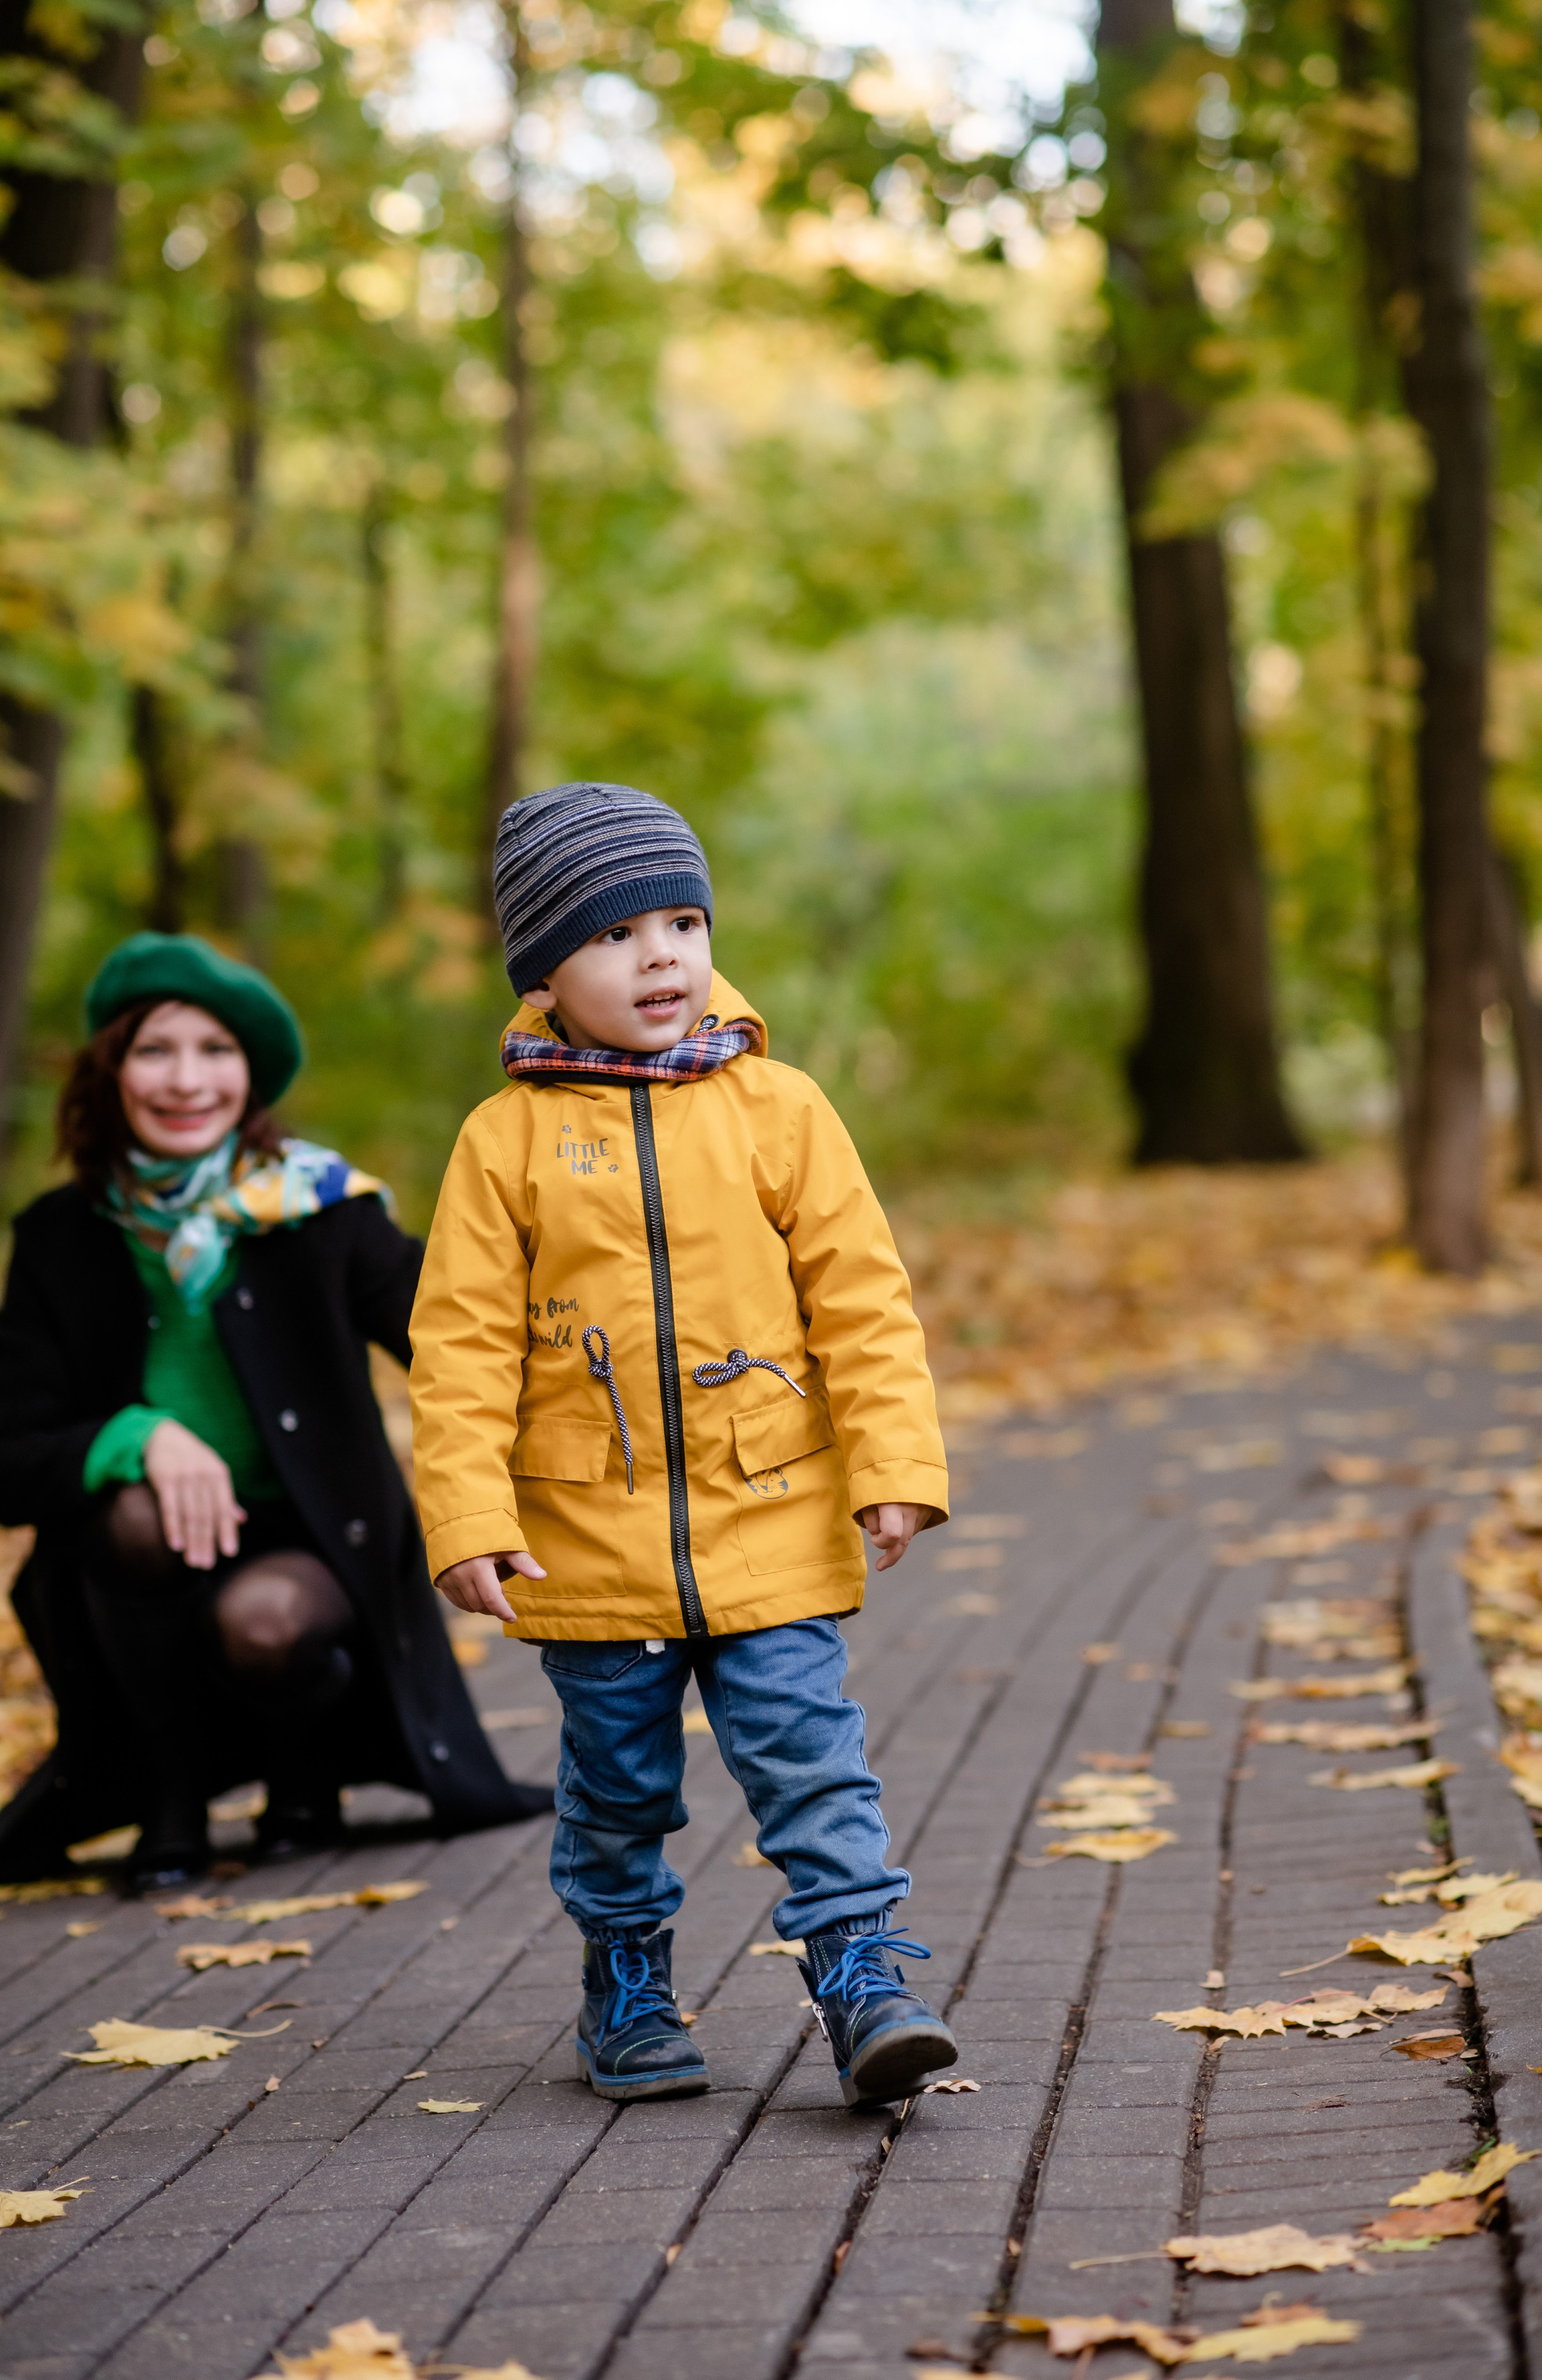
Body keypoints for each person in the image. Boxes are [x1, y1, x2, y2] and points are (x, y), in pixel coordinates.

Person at [410, 780, 958, 2108]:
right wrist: (468, 1517)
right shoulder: (504, 1144)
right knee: (615, 1793)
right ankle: (627, 1982)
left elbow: (862, 1302)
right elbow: (463, 1348)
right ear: (542, 971)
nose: (659, 955)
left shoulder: (779, 1111)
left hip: (766, 1515)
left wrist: (892, 1466)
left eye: (681, 920)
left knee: (812, 1765)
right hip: (586, 1551)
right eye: (613, 933)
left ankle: (862, 1976)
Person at [0, 932, 549, 1894]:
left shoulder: (313, 1204)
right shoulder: (59, 1236)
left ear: (249, 1078)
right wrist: (139, 1437)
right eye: (155, 1050)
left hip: (311, 1543)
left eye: (216, 1052)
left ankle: (308, 1772)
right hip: (141, 1560)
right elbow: (12, 1452)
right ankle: (171, 1804)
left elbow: (455, 1333)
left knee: (265, 1624)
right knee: (131, 1515)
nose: (187, 1080)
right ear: (112, 1071)